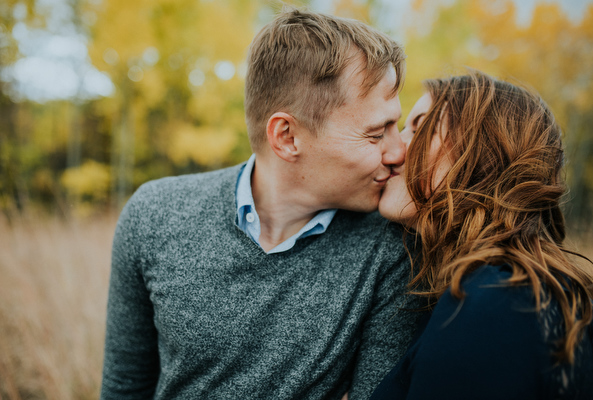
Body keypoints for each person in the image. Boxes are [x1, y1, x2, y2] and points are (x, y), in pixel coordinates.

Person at [101, 8, 424, 400]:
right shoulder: (154, 214)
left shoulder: (393, 249)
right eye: (376, 135)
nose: (398, 152)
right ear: (287, 137)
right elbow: (124, 388)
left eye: (396, 125)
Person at [372, 70, 593, 399]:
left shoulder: (496, 304)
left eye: (420, 127)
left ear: (482, 155)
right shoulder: (517, 292)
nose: (392, 151)